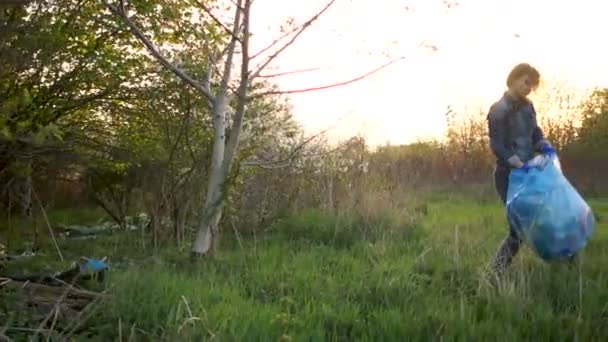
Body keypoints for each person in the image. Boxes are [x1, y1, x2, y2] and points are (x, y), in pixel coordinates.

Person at [486, 63, 556, 275]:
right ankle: (493, 274)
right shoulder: (498, 109)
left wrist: (543, 144)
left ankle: (560, 264)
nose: (529, 88)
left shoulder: (528, 106)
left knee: (545, 218)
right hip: (508, 176)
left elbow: (534, 132)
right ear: (514, 79)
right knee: (518, 230)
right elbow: (496, 144)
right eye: (526, 82)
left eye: (533, 85)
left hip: (530, 173)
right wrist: (512, 159)